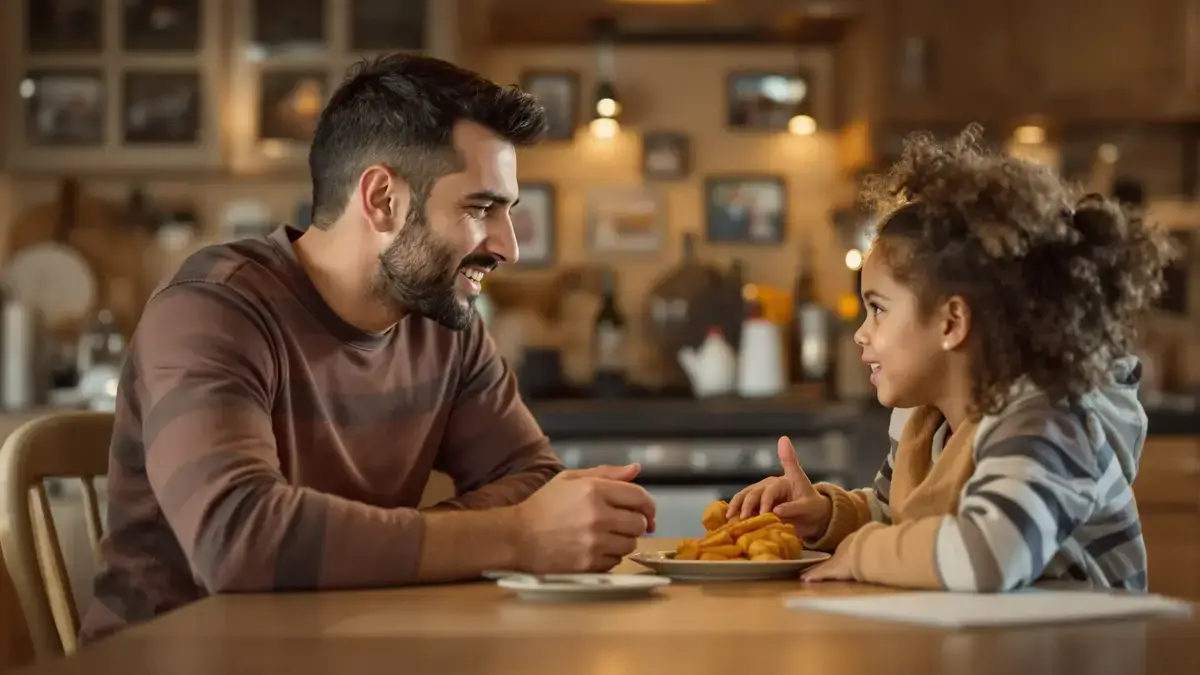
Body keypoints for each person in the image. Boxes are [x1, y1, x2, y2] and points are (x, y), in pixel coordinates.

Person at [79, 54, 656, 643]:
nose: (509, 247)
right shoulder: (212, 306)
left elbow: (533, 479)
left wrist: (386, 539)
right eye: (481, 208)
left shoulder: (443, 320)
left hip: (346, 648)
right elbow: (236, 538)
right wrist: (515, 536)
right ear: (382, 199)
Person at [728, 125, 1173, 592]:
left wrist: (861, 552)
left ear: (951, 322)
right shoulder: (929, 426)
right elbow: (894, 517)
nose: (861, 334)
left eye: (877, 309)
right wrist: (826, 516)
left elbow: (986, 554)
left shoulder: (1046, 420)